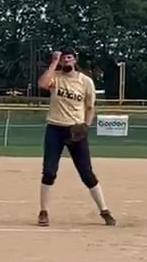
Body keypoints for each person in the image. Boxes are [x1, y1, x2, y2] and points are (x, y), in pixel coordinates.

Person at [36, 50, 113, 227]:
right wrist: (54, 63)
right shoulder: (55, 77)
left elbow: (90, 108)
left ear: (75, 60)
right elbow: (43, 84)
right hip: (55, 129)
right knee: (49, 172)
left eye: (69, 57)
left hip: (75, 130)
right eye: (63, 58)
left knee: (87, 173)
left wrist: (85, 126)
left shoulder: (85, 81)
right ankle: (43, 211)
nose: (66, 60)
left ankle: (104, 210)